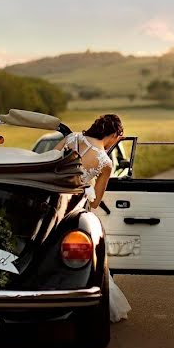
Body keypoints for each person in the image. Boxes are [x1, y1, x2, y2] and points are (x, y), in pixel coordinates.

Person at [54, 114, 131, 323]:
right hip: (74, 207)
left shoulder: (73, 138)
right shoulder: (105, 162)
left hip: (51, 199)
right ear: (115, 134)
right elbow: (96, 202)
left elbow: (47, 161)